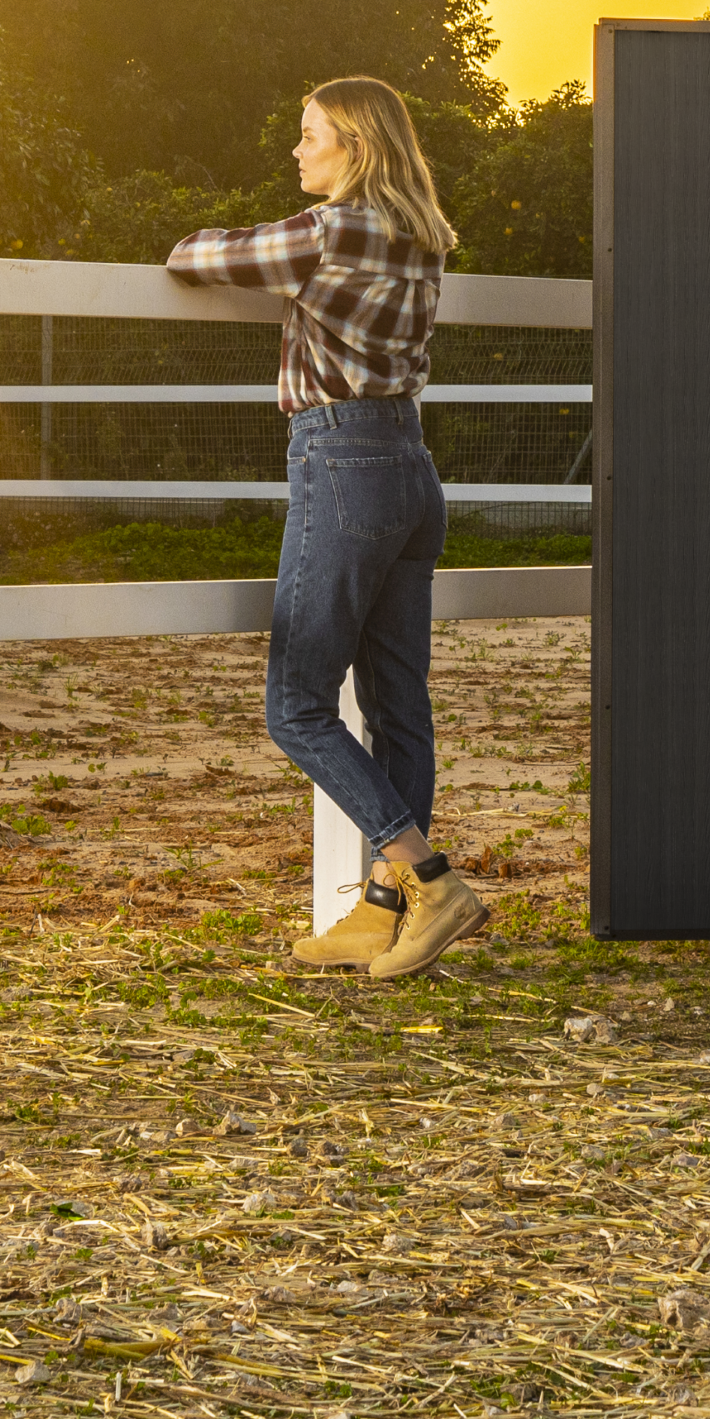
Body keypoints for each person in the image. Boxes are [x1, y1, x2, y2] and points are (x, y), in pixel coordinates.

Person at [167, 76, 489, 979]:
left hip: (340, 456)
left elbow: (194, 256)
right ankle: (383, 912)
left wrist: (206, 242)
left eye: (309, 135)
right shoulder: (425, 239)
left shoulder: (329, 230)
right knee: (397, 700)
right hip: (409, 464)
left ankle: (425, 876)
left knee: (296, 702)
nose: (296, 151)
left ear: (352, 144)